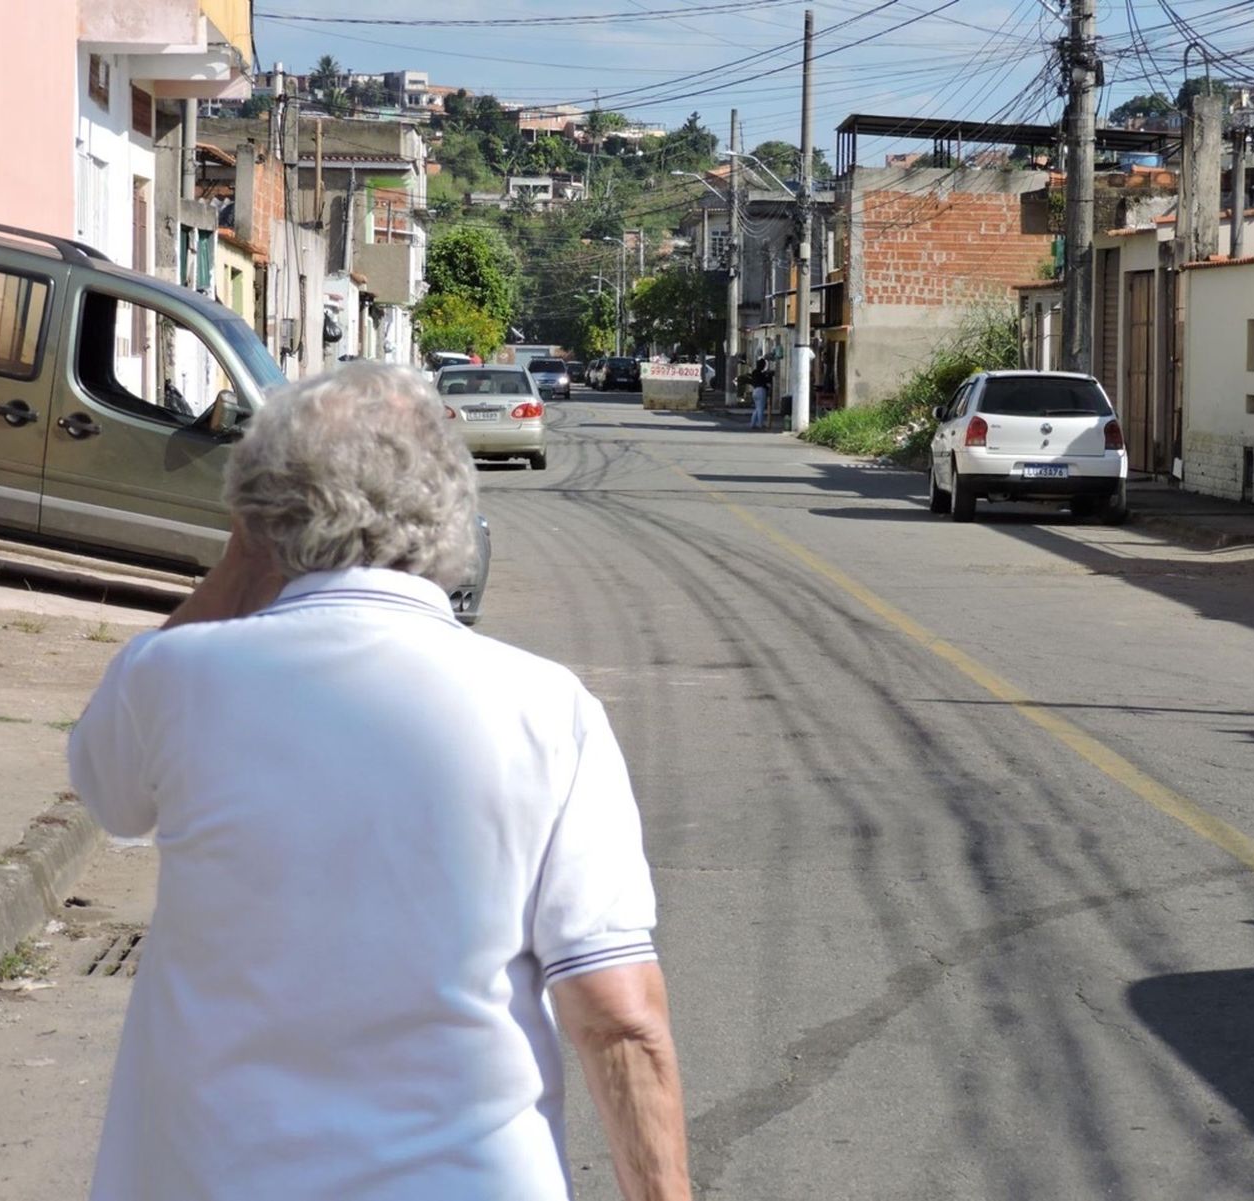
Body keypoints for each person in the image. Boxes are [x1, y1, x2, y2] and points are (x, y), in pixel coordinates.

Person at [67, 364, 690, 1201]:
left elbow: (107, 793)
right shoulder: (549, 708)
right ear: (453, 510)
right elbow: (618, 1013)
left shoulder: (169, 677)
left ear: (256, 517)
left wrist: (240, 565)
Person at [749, 356, 772, 429]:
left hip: (755, 391)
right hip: (761, 391)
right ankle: (760, 424)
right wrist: (769, 375)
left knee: (757, 408)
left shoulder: (754, 372)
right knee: (760, 409)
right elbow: (765, 381)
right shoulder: (761, 374)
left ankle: (752, 424)